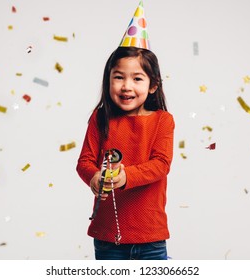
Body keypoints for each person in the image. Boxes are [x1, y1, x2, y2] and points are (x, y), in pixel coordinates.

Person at [76, 1, 174, 260]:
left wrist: (125, 176)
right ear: (108, 80)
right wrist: (94, 177)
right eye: (119, 77)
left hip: (150, 236)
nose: (126, 86)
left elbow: (161, 164)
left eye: (137, 78)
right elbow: (84, 161)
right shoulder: (100, 118)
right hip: (108, 237)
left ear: (153, 85)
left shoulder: (163, 121)